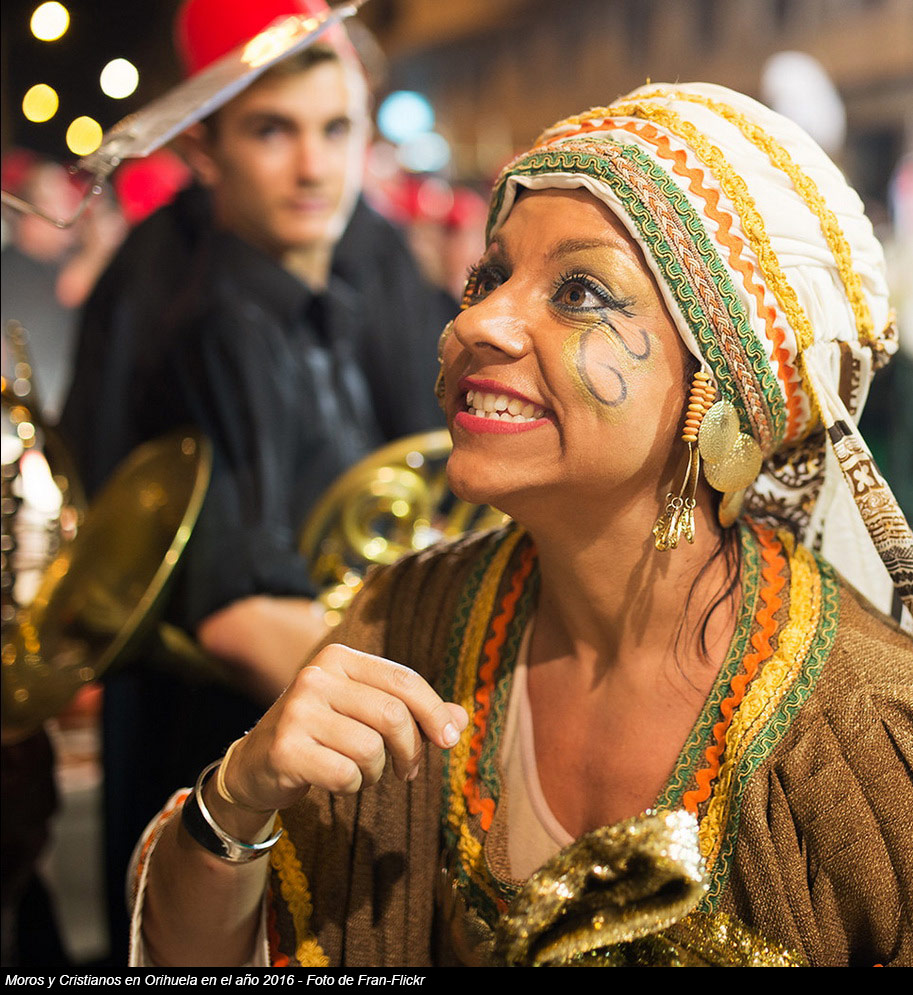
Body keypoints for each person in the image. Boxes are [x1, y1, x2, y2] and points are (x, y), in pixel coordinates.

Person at [130, 82, 912, 968]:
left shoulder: (868, 741)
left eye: (579, 291)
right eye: (491, 275)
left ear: (725, 386)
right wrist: (237, 801)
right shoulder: (406, 624)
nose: (478, 320)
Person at [57, 0, 453, 963]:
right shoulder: (181, 306)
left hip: (360, 721)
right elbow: (235, 617)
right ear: (204, 146)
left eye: (337, 129)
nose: (315, 168)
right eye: (273, 132)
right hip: (232, 759)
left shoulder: (371, 248)